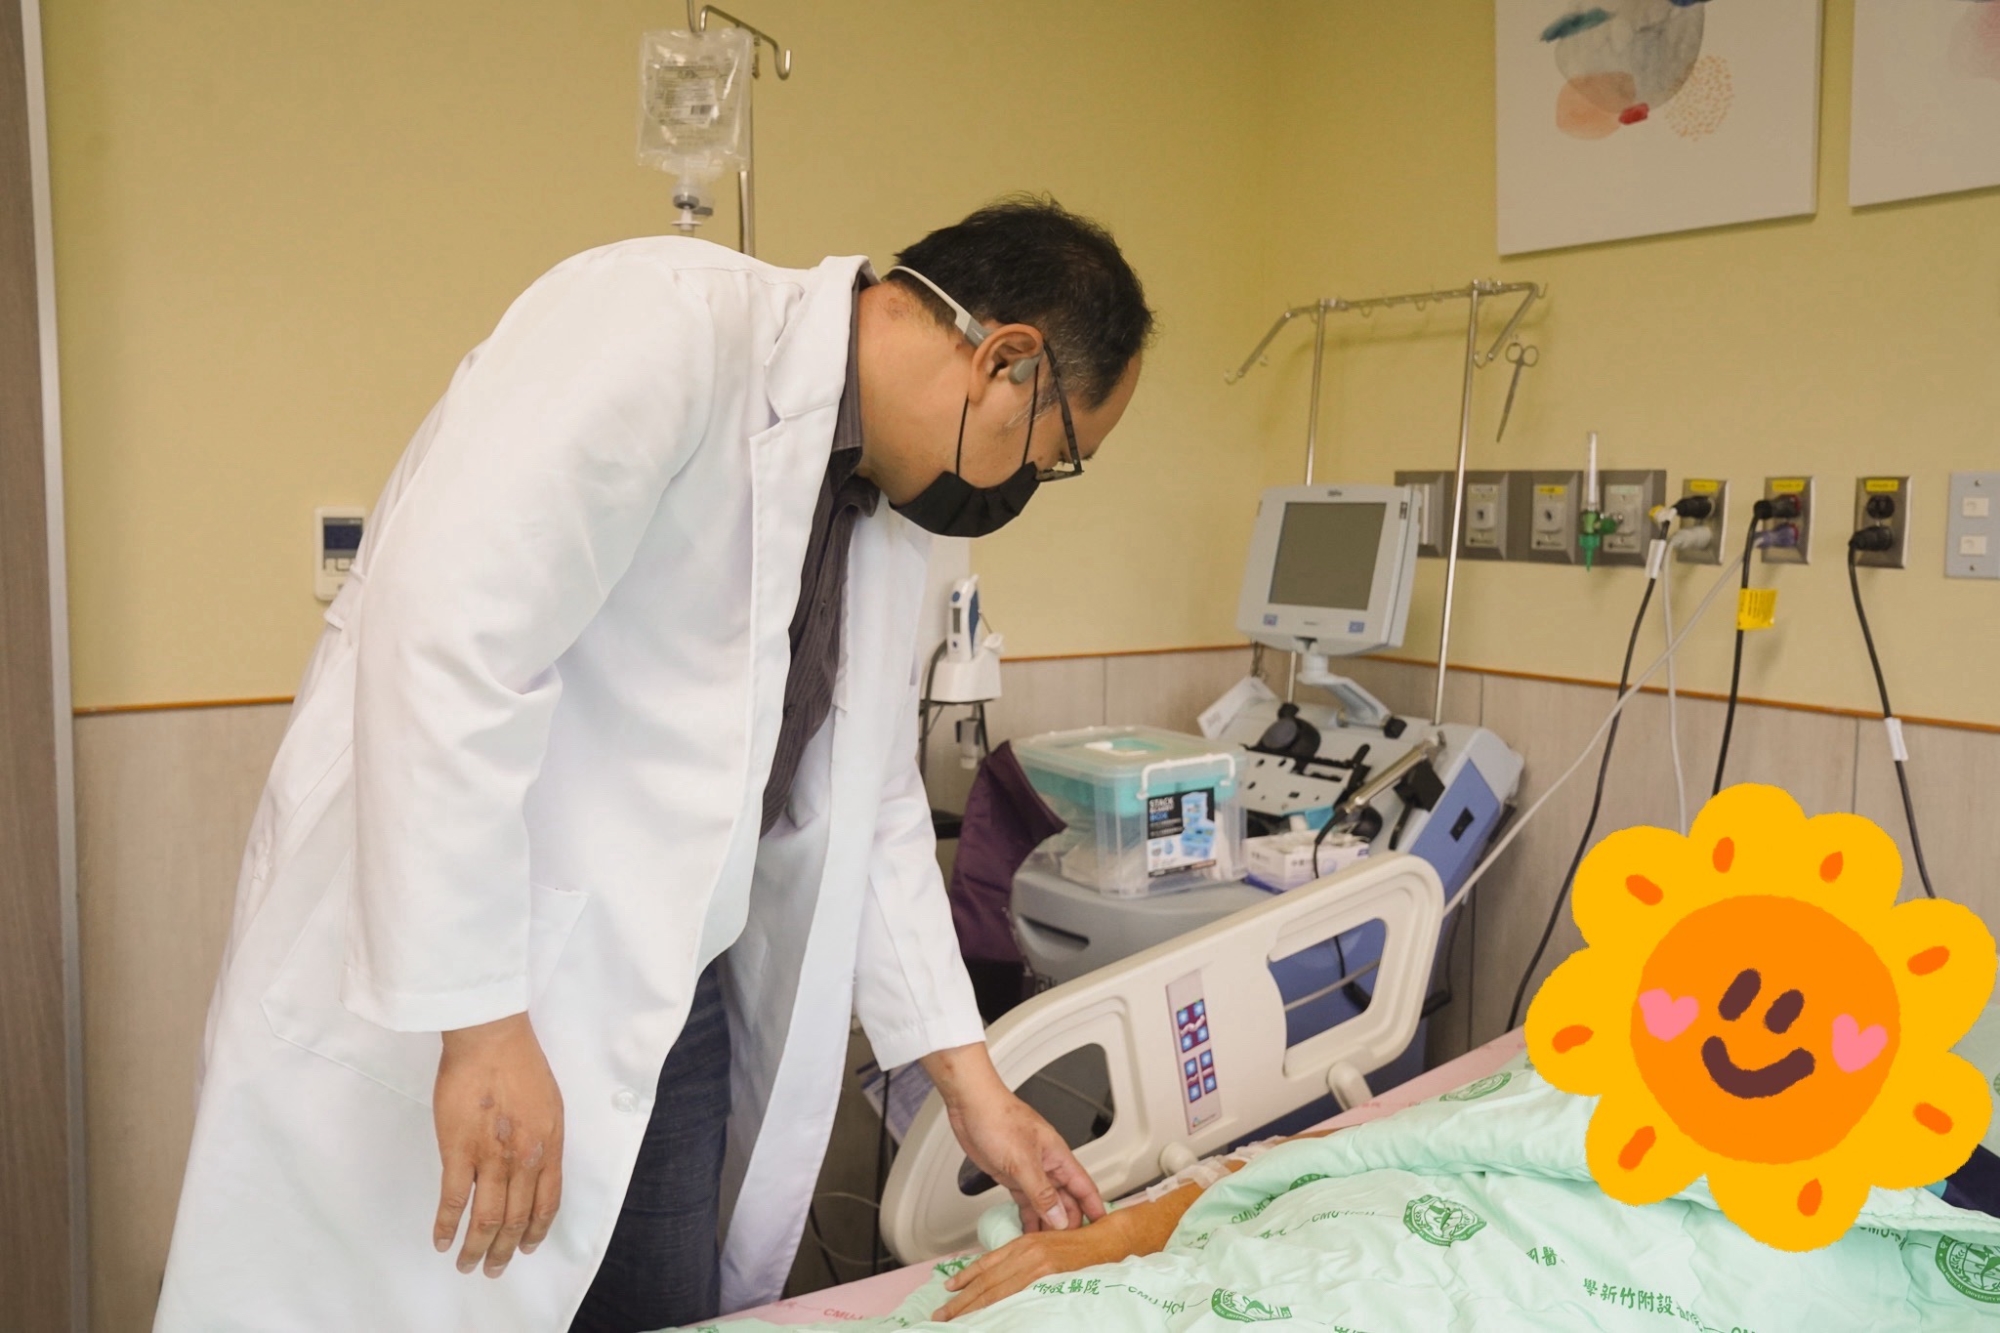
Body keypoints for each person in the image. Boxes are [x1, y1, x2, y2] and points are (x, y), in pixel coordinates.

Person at [153, 196, 1153, 1333]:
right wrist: (481, 1025)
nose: (1025, 488)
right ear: (1007, 361)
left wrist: (973, 1092)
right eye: (1054, 455)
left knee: (656, 1303)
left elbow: (869, 810)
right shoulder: (663, 325)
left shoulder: (881, 518)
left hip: (671, 1001)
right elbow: (450, 644)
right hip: (466, 969)